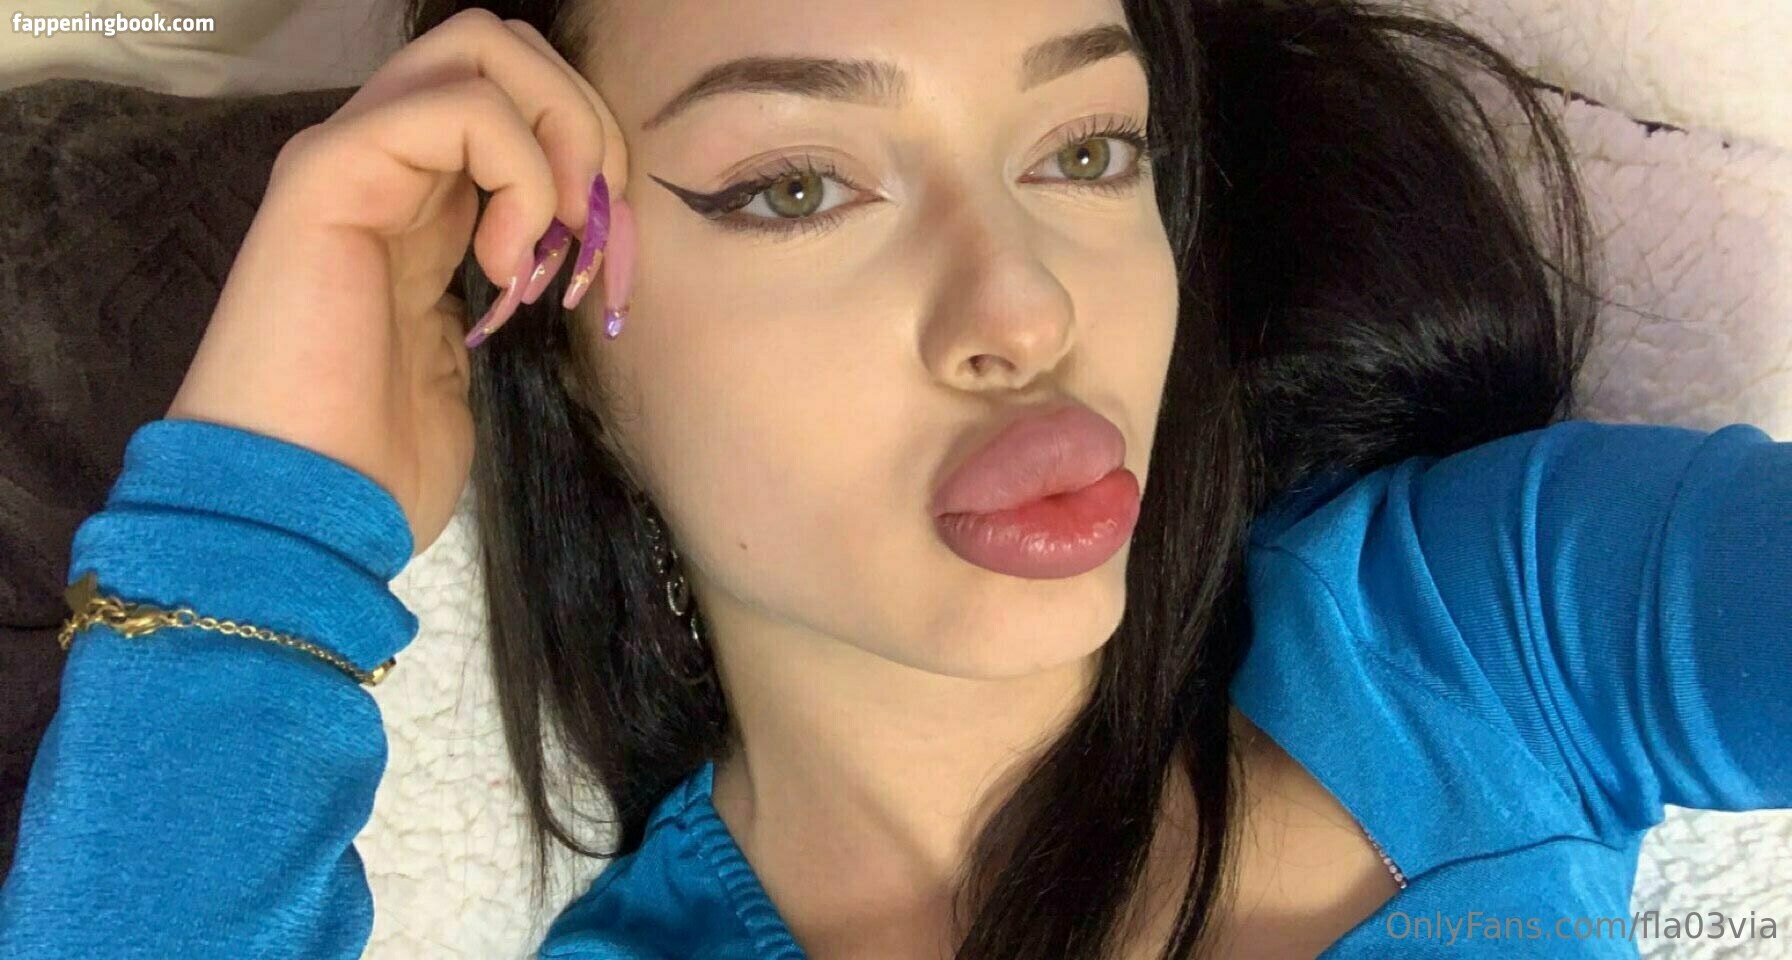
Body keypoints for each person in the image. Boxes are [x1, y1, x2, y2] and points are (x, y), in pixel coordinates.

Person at [1, 0, 1787, 957]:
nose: (1025, 310)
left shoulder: (1502, 621)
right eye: (796, 186)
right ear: (556, 332)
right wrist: (259, 516)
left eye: (1087, 151)